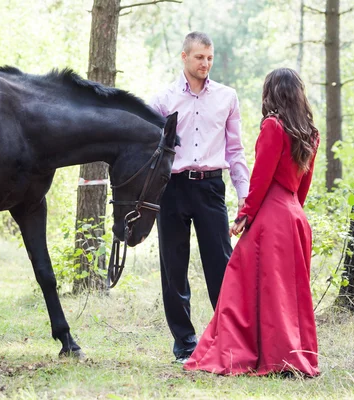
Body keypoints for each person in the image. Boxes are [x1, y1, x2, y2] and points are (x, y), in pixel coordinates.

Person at [183, 67, 320, 376]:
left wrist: (244, 216)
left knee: (240, 284)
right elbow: (304, 184)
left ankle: (249, 353)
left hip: (271, 216)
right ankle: (290, 357)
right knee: (286, 292)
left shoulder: (273, 126)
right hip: (295, 217)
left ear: (271, 93)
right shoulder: (310, 132)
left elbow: (261, 178)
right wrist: (294, 214)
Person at [150, 32, 250, 364]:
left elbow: (235, 152)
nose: (205, 63)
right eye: (199, 58)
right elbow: (150, 150)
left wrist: (243, 197)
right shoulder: (163, 100)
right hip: (173, 189)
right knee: (173, 267)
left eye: (209, 57)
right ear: (184, 57)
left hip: (210, 187)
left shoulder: (227, 97)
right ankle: (185, 342)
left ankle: (226, 338)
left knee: (221, 265)